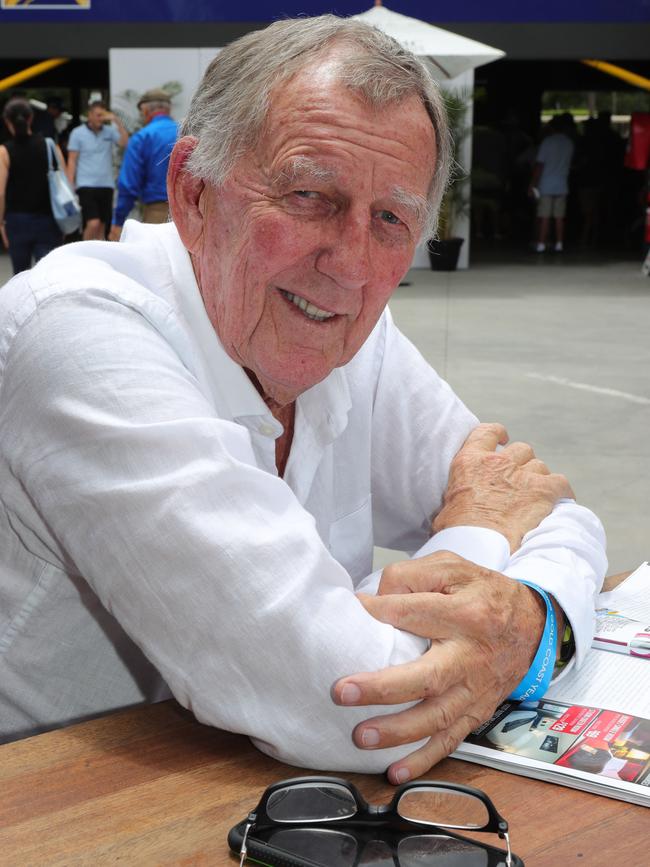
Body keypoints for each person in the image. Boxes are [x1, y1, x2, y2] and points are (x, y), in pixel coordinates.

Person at [0, 17, 606, 784]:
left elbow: (552, 508)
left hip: (233, 798)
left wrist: (533, 620)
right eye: (309, 194)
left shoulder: (358, 337)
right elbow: (359, 713)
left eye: (390, 219)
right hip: (54, 812)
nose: (351, 264)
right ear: (193, 193)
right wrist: (481, 533)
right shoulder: (77, 330)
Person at [0, 97, 62, 274]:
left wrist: (1, 223)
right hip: (49, 220)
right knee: (48, 275)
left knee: (19, 275)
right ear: (31, 118)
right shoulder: (51, 146)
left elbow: (0, 193)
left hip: (17, 221)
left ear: (7, 121)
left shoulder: (4, 151)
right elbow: (65, 185)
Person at [108, 88, 178, 238]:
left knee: (158, 260)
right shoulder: (187, 132)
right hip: (190, 214)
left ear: (145, 110)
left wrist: (118, 222)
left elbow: (129, 185)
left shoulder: (142, 137)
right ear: (168, 109)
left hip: (156, 215)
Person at [66, 100, 128, 241]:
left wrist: (116, 121)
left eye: (103, 115)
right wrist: (70, 185)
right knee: (92, 223)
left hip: (106, 184)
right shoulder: (77, 133)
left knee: (102, 225)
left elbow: (124, 142)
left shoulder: (109, 131)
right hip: (85, 184)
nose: (100, 118)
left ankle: (98, 257)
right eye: (98, 115)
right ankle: (85, 251)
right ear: (90, 115)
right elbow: (72, 160)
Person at [529, 113, 575, 253]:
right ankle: (559, 243)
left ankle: (542, 243)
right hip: (562, 184)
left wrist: (532, 183)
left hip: (546, 184)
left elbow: (539, 165)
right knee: (559, 217)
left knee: (544, 216)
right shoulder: (569, 143)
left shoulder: (547, 142)